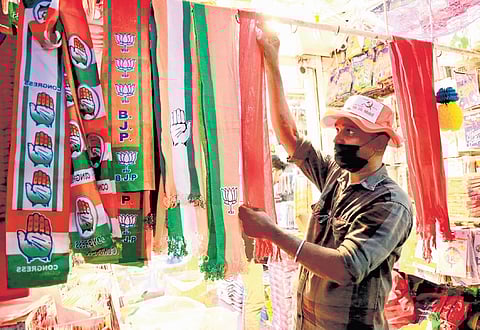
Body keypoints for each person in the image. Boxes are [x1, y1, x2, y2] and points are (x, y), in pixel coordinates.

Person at [238, 27, 413, 330]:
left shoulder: (390, 203)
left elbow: (346, 266)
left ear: (380, 142)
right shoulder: (338, 176)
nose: (339, 138)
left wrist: (272, 233)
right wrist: (271, 60)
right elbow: (290, 136)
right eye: (339, 129)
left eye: (351, 131)